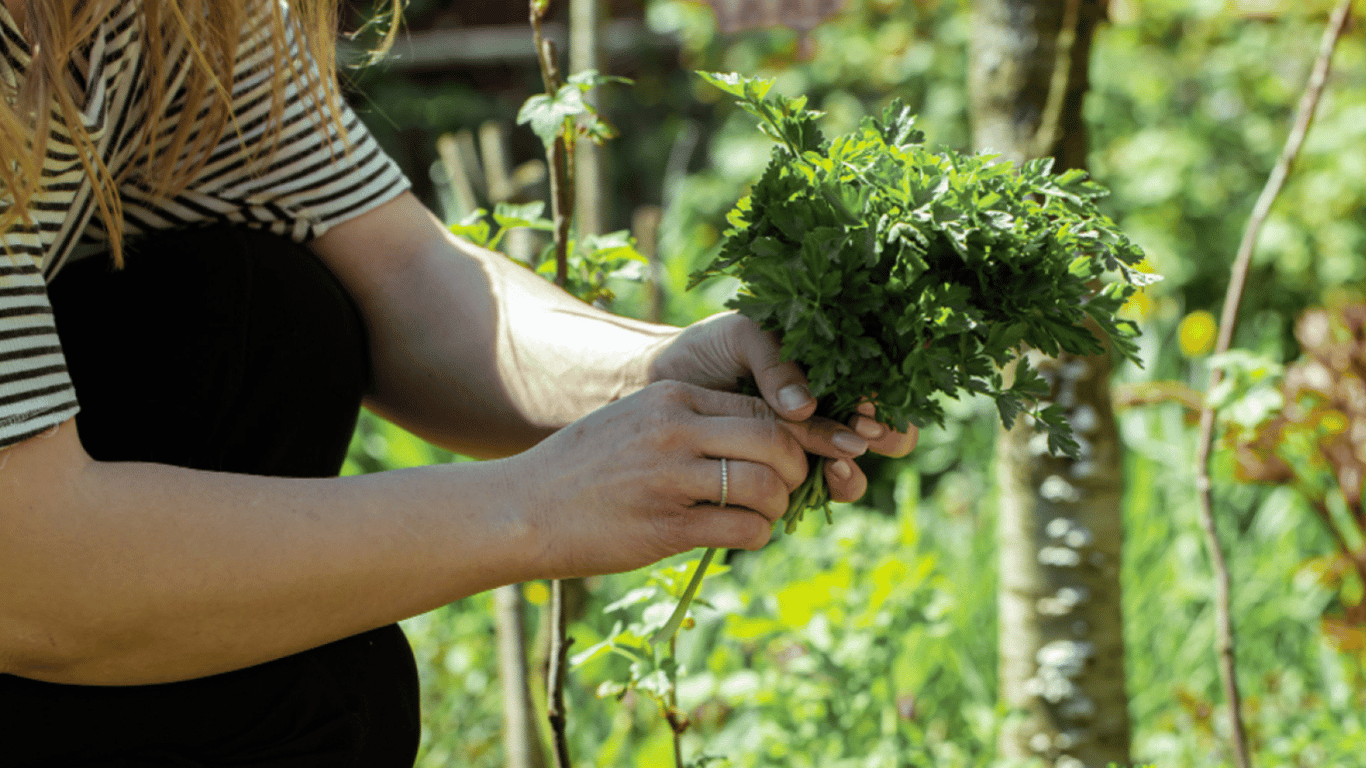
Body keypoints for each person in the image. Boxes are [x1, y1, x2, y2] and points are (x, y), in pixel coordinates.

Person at [0, 0, 916, 765]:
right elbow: (23, 565)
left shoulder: (176, 18)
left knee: (254, 299)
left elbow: (406, 276)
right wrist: (533, 506)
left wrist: (657, 374)